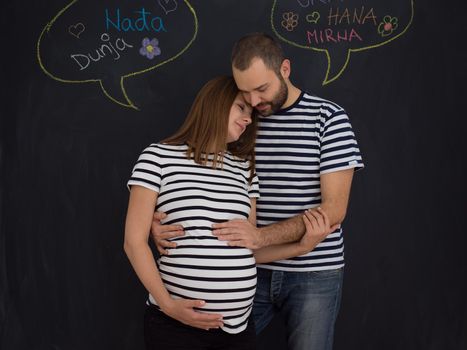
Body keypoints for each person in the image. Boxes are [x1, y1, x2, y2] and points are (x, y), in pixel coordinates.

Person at [152, 34, 364, 350]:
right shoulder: (244, 120)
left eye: (261, 89)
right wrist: (162, 223)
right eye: (244, 93)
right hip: (247, 268)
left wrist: (260, 237)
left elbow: (333, 210)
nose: (253, 102)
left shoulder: (329, 118)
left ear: (285, 69)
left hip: (313, 271)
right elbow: (204, 180)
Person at [124, 75, 337, 350]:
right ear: (215, 104)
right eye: (240, 108)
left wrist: (301, 246)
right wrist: (168, 305)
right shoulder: (158, 157)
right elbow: (134, 241)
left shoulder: (244, 169)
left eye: (251, 114)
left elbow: (250, 248)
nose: (248, 119)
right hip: (174, 325)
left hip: (237, 332)